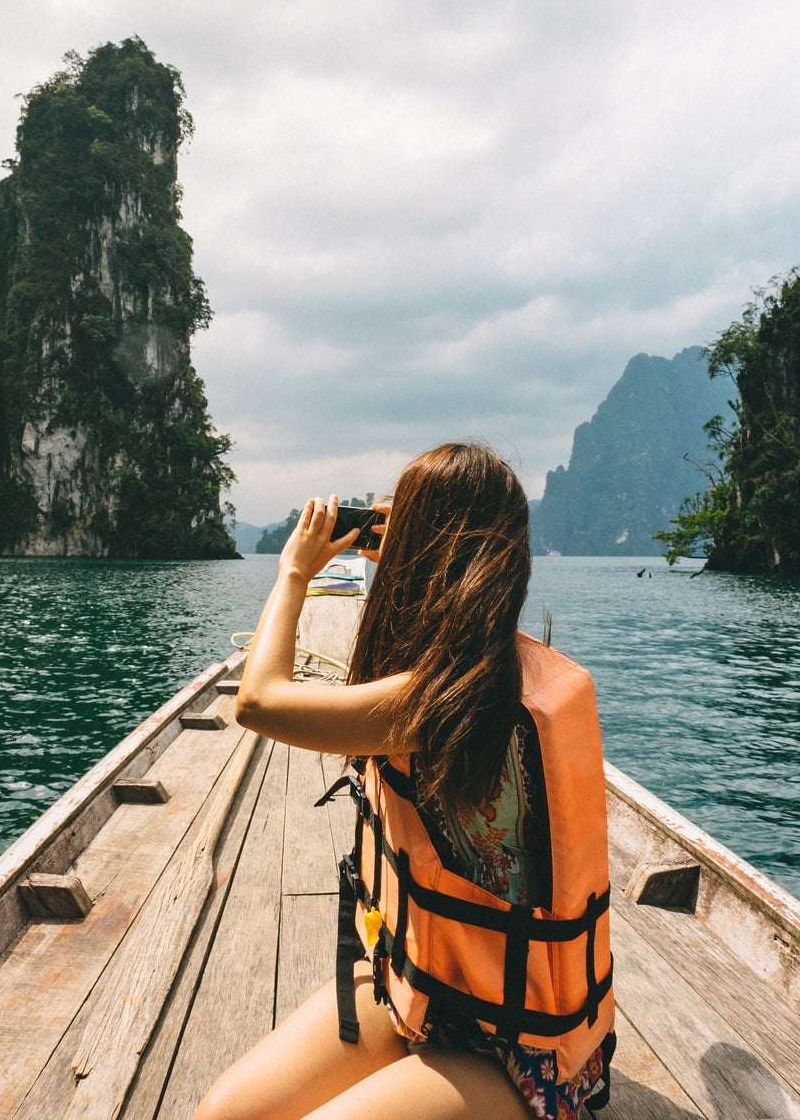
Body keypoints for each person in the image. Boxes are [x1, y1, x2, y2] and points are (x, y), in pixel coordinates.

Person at [197, 443, 614, 1120]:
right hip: (426, 989)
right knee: (224, 1114)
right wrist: (406, 568)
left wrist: (294, 573)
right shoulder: (452, 670)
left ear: (425, 544)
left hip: (517, 1054)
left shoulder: (453, 697)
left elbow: (259, 700)